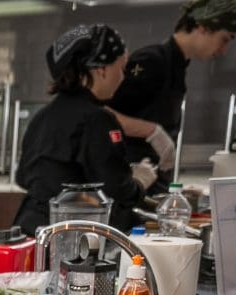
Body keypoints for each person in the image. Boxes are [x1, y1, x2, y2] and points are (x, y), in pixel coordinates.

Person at [14, 24, 156, 235]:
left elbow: (23, 177)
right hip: (69, 235)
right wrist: (139, 181)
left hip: (28, 229)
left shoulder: (42, 116)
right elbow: (117, 189)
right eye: (121, 68)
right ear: (101, 69)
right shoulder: (97, 119)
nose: (123, 77)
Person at [108, 0, 236, 189]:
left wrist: (175, 191)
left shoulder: (177, 68)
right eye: (225, 39)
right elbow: (101, 114)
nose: (224, 50)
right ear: (203, 27)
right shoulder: (152, 61)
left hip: (152, 187)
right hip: (128, 186)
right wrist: (151, 131)